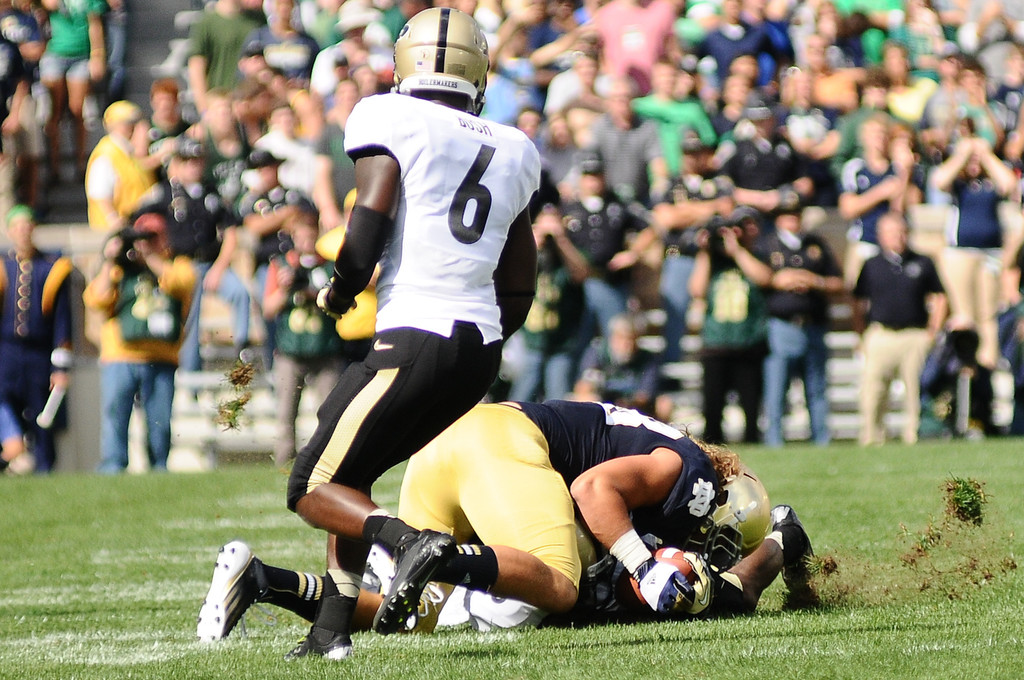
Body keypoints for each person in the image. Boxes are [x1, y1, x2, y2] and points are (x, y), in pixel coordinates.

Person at [283, 7, 539, 661]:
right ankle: (330, 632)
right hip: (479, 347)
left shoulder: (387, 115)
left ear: (409, 61)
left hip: (415, 333)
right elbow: (519, 286)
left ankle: (407, 544)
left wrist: (339, 293)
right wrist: (475, 342)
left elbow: (366, 226)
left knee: (311, 485)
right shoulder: (514, 146)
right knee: (354, 476)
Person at [197, 401, 816, 639]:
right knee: (555, 585)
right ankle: (441, 554)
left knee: (412, 612)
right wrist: (641, 563)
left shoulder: (669, 458)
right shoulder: (694, 477)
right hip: (501, 449)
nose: (712, 543)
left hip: (447, 447)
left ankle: (266, 583)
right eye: (723, 534)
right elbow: (593, 486)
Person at [82, 213, 195, 473]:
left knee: (159, 422)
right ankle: (113, 466)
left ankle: (158, 468)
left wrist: (151, 258)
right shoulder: (120, 268)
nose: (146, 242)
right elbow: (95, 300)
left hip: (162, 357)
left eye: (152, 237)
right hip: (120, 355)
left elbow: (183, 283)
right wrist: (110, 259)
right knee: (115, 416)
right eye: (141, 237)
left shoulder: (177, 264)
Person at [132, 138, 251, 372]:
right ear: (177, 163)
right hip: (182, 264)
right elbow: (138, 218)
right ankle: (189, 373)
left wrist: (219, 267)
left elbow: (231, 232)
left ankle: (242, 350)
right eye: (187, 161)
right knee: (191, 316)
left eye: (196, 161)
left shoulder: (211, 191)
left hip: (210, 262)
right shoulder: (165, 192)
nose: (193, 167)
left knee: (240, 293)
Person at [852, 211, 948, 445]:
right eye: (892, 233)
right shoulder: (871, 264)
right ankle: (872, 436)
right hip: (881, 333)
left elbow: (940, 296)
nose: (898, 237)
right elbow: (857, 301)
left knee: (915, 390)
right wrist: (861, 333)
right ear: (881, 236)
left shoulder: (922, 262)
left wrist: (933, 330)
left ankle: (913, 436)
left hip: (914, 334)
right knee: (873, 390)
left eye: (902, 232)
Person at [929, 131, 1020, 372]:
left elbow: (1009, 183)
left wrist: (986, 155)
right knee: (963, 312)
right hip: (961, 253)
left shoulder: (991, 186)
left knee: (988, 313)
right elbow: (938, 180)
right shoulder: (958, 186)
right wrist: (963, 153)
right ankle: (963, 360)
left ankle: (987, 363)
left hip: (990, 253)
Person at [755, 205, 844, 447]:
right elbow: (758, 277)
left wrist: (814, 281)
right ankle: (774, 439)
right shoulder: (767, 244)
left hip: (813, 323)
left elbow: (838, 281)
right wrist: (779, 280)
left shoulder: (815, 244)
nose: (792, 219)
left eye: (795, 214)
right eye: (787, 214)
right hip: (781, 324)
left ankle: (821, 438)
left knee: (816, 387)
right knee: (777, 387)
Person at [263, 213, 346, 467]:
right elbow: (268, 308)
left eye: (311, 236)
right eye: (301, 236)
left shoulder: (331, 266)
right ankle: (284, 462)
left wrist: (316, 294)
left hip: (325, 349)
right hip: (290, 351)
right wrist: (286, 288)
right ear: (293, 238)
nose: (307, 241)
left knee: (330, 413)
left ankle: (329, 462)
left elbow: (343, 306)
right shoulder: (280, 265)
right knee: (285, 414)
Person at [0, 205, 73, 473]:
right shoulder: (3, 266)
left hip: (38, 352)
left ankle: (44, 468)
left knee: (41, 414)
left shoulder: (51, 267)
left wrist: (60, 366)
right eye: (17, 226)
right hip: (6, 350)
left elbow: (62, 322)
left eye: (27, 226)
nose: (22, 232)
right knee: (5, 404)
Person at [689, 212, 771, 444]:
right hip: (716, 344)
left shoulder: (756, 255)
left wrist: (737, 250)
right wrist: (704, 251)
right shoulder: (711, 263)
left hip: (748, 343)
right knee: (712, 410)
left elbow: (765, 278)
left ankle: (754, 447)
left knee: (751, 409)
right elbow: (696, 290)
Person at [507, 204, 587, 403]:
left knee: (558, 401)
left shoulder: (568, 251)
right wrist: (531, 243)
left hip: (562, 342)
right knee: (521, 397)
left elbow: (582, 273)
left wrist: (561, 239)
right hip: (530, 340)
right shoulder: (527, 249)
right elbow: (508, 274)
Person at [38, 0, 106, 181]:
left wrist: (97, 55)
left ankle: (80, 162)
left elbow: (95, 23)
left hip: (80, 54)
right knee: (54, 111)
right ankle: (53, 165)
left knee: (77, 109)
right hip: (54, 52)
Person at [84, 100, 155, 234]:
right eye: (130, 123)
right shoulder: (107, 153)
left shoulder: (128, 152)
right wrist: (113, 219)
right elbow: (100, 193)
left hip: (134, 227)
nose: (135, 128)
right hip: (113, 233)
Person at [186, 0, 266, 114]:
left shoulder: (258, 20)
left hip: (254, 103)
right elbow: (196, 67)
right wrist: (204, 110)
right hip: (220, 103)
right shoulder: (207, 23)